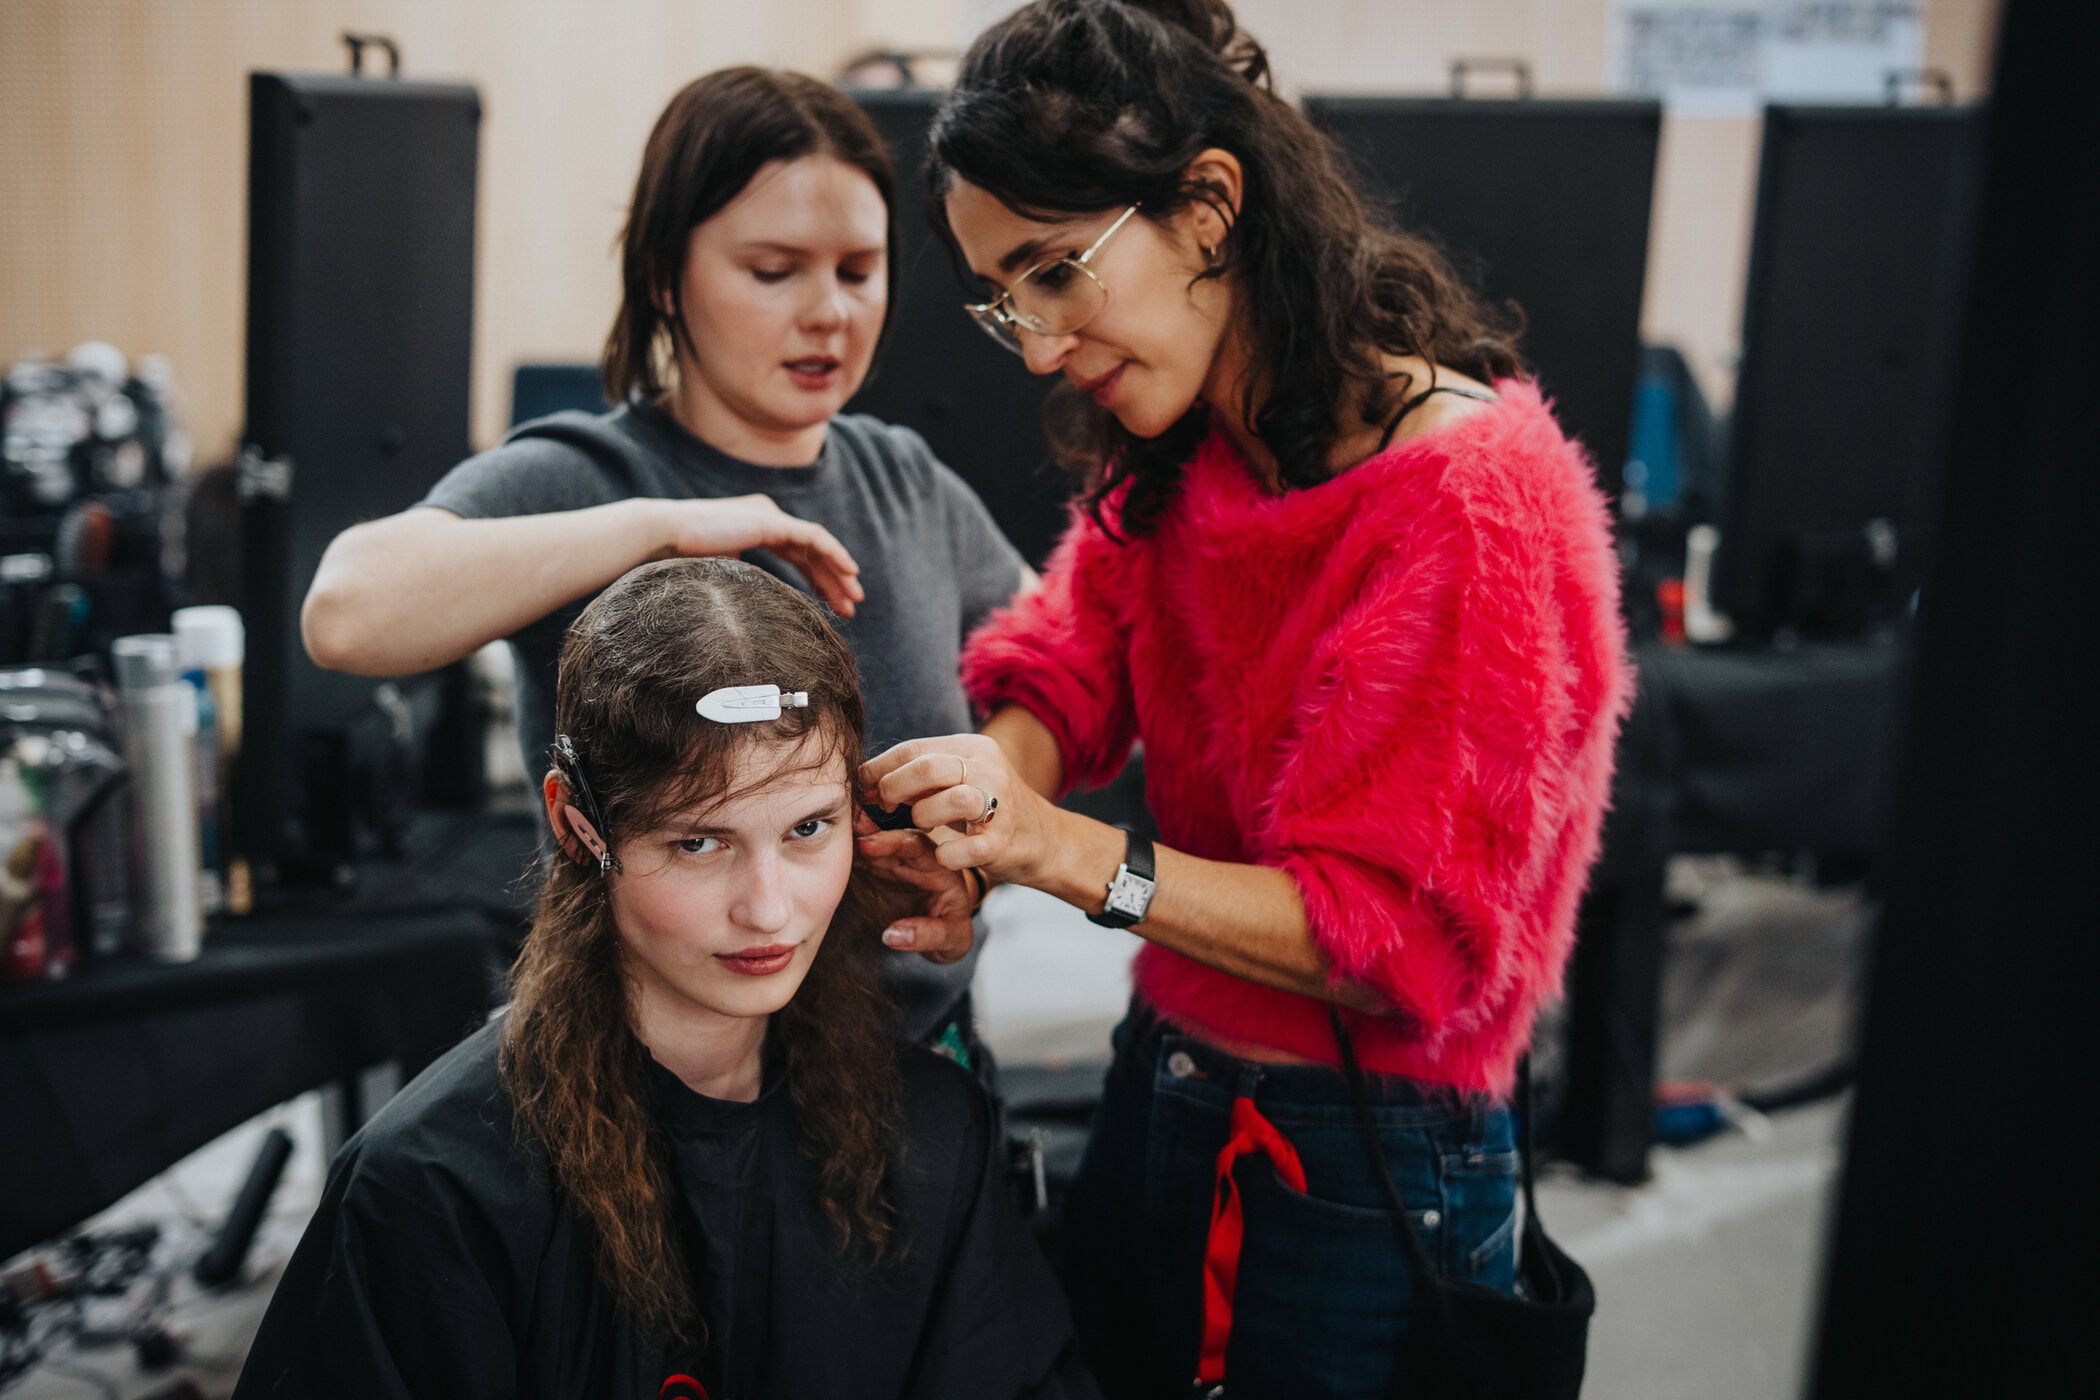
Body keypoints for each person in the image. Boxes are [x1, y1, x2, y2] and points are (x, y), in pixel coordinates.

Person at [856, 2, 1631, 1396]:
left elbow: (1391, 943)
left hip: (1364, 1161)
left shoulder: (1469, 503)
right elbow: (1066, 658)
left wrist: (1062, 853)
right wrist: (991, 793)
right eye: (1001, 299)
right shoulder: (1201, 445)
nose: (1035, 347)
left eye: (1055, 274)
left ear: (1208, 205)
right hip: (1170, 1088)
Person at [236, 557, 1097, 1399]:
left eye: (807, 828)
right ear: (578, 828)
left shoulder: (933, 1134)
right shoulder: (434, 1191)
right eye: (699, 842)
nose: (769, 910)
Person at [300, 67, 1028, 1054]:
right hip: (665, 1086)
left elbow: (1066, 673)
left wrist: (983, 840)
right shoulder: (584, 473)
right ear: (661, 277)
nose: (829, 313)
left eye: (858, 270)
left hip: (916, 1064)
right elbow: (345, 611)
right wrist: (660, 527)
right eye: (774, 271)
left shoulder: (904, 478)